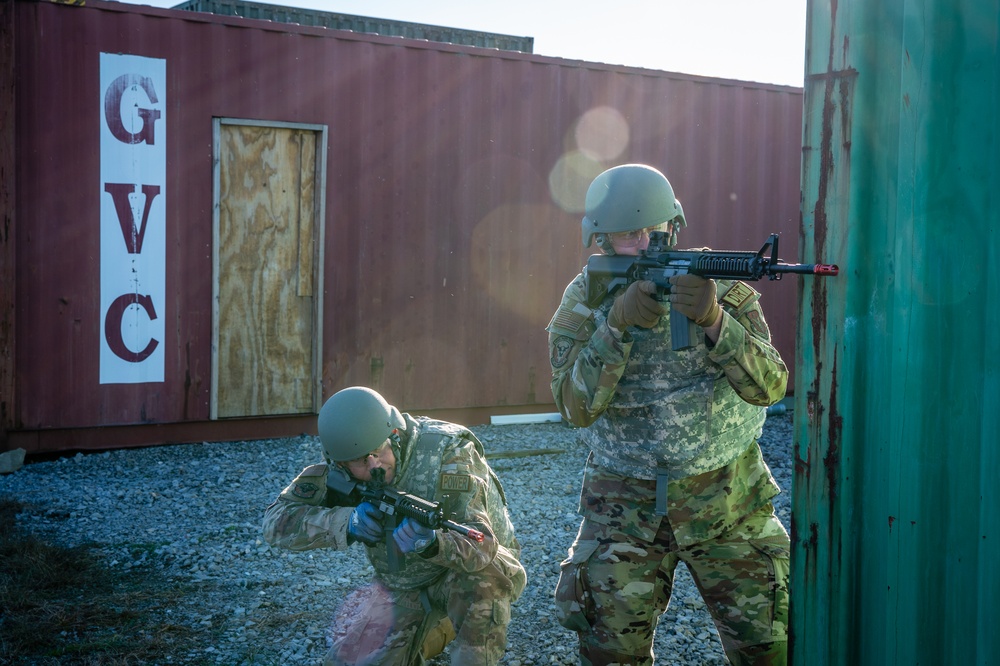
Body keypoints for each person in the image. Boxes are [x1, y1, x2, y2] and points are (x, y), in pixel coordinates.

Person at [546, 164, 791, 665]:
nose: (644, 244)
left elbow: (771, 386)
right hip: (622, 508)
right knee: (609, 653)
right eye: (628, 236)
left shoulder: (722, 287)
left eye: (653, 232)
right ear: (602, 241)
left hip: (729, 500)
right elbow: (575, 408)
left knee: (774, 647)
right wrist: (615, 328)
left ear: (673, 227)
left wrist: (715, 320)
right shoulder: (585, 299)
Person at [263, 386, 526, 665]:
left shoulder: (448, 451)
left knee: (485, 579)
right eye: (360, 461)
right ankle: (436, 628)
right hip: (403, 586)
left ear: (394, 435)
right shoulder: (338, 466)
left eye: (379, 451)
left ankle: (463, 631)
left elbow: (482, 544)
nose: (375, 465)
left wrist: (434, 542)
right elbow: (275, 523)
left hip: (465, 573)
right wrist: (347, 521)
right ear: (338, 463)